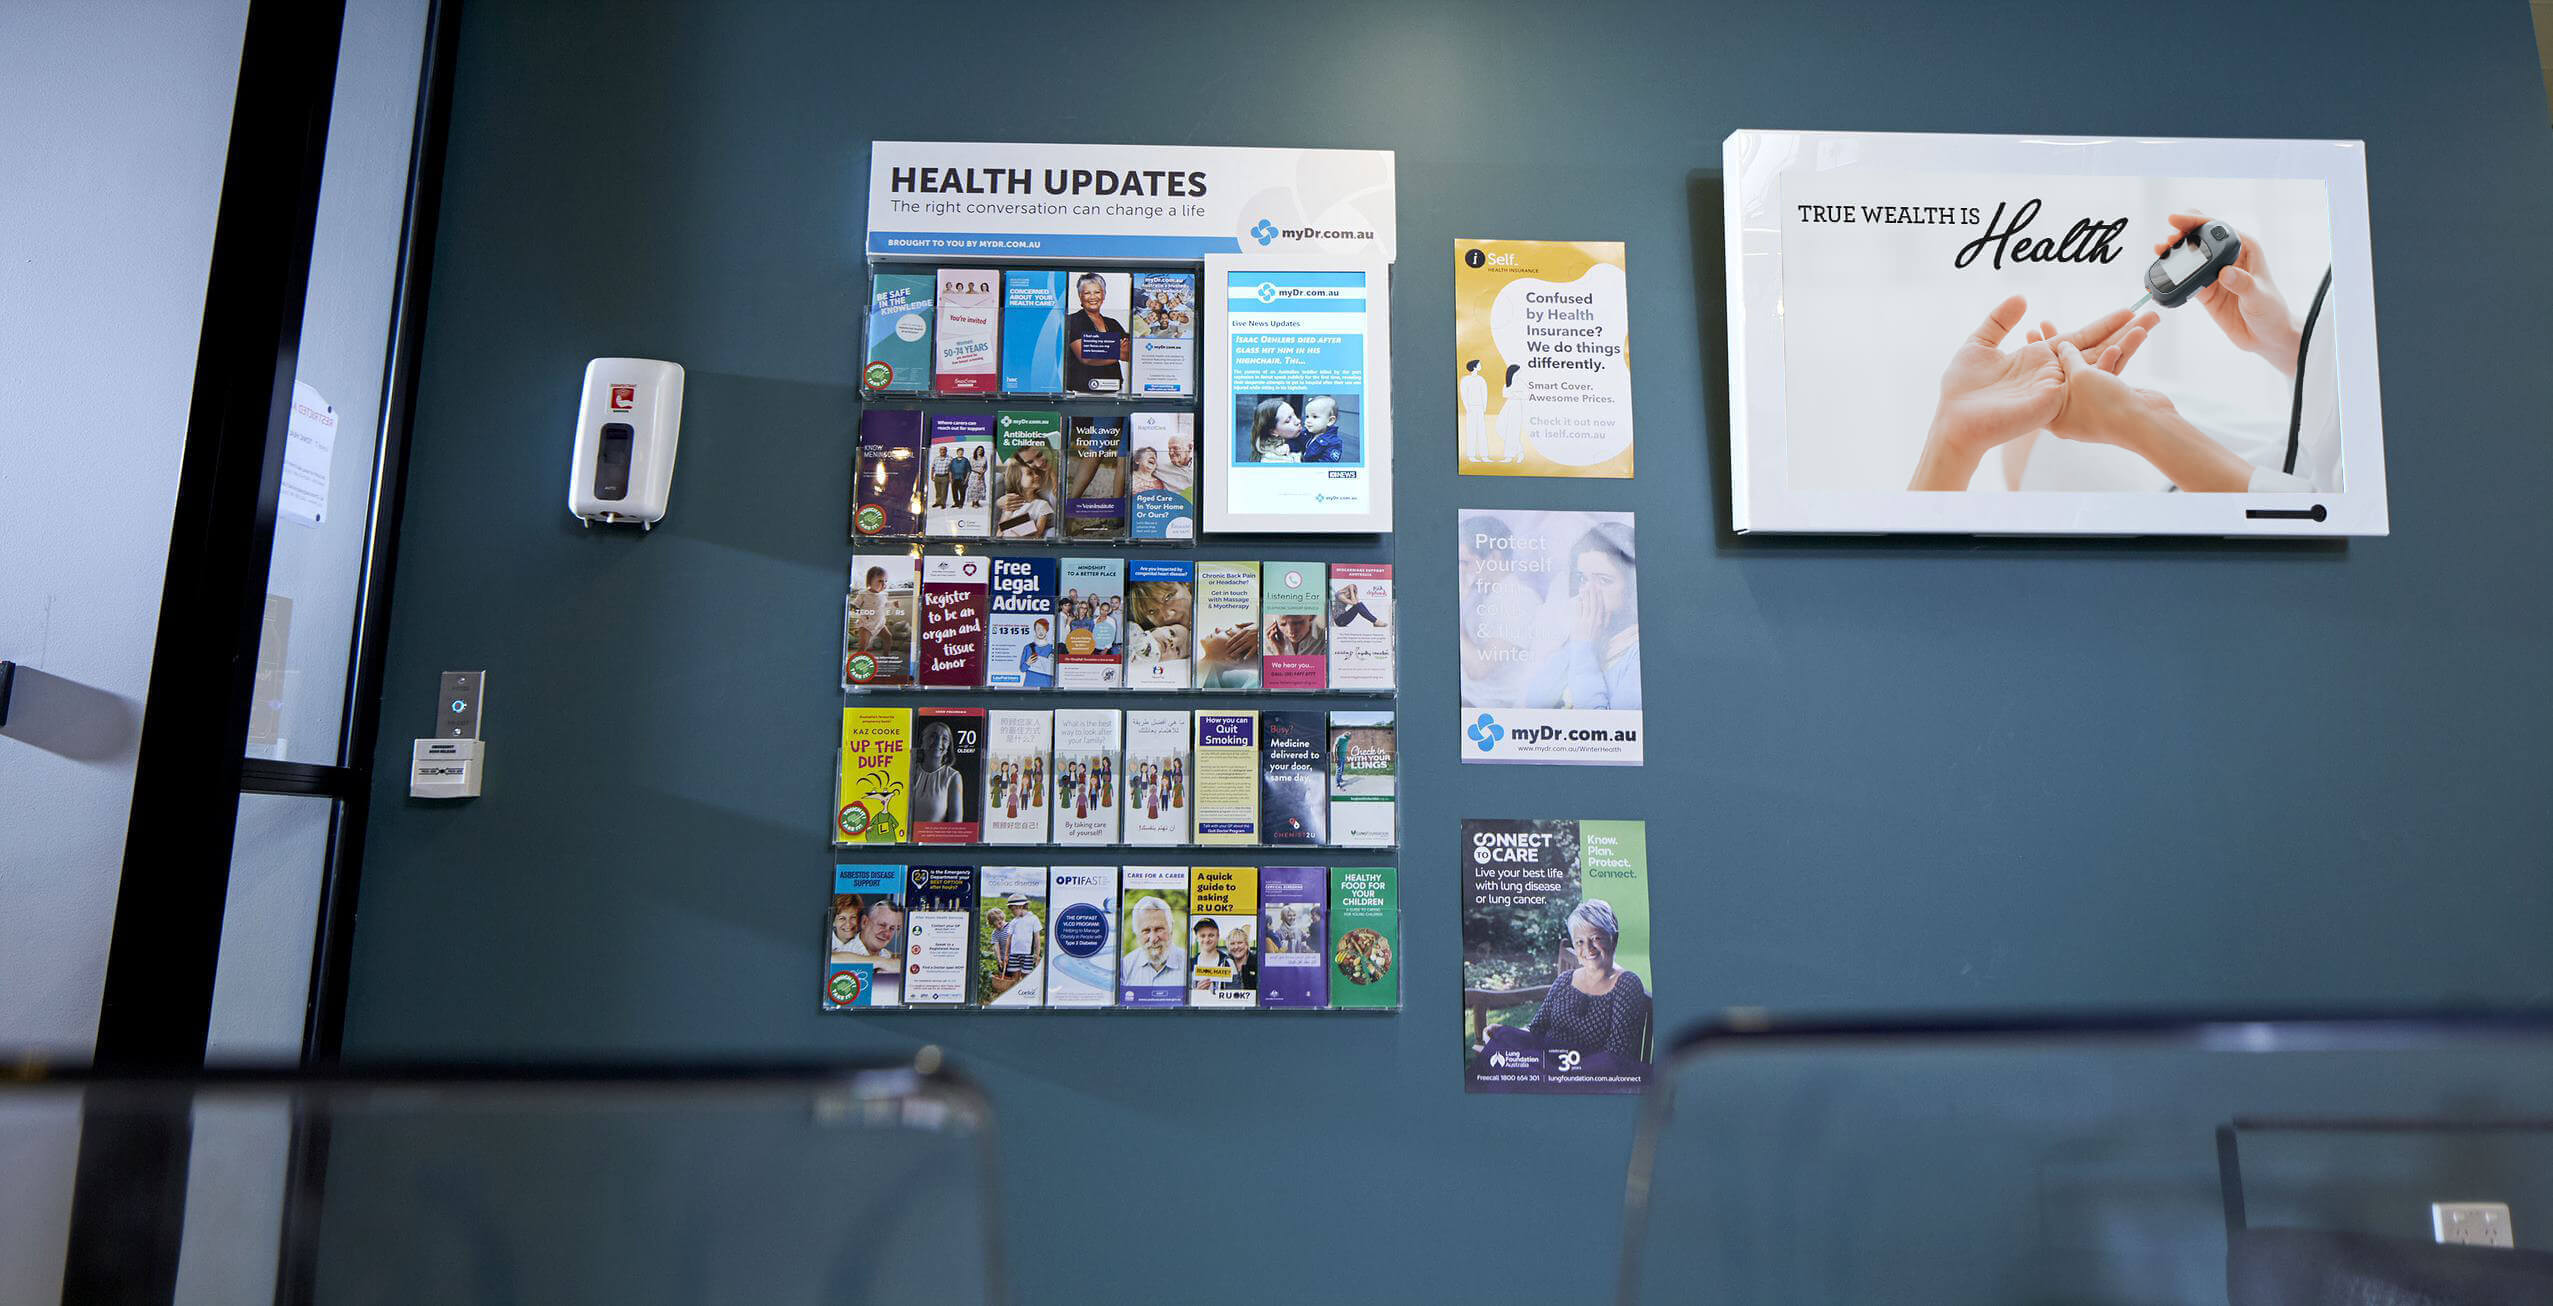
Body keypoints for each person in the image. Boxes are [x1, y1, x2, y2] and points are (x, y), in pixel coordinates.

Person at [1515, 900, 1650, 1063]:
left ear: (1613, 939)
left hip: (1590, 1081)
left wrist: (1562, 1070)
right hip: (1549, 1066)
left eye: (1596, 938)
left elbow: (1617, 1056)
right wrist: (1506, 1034)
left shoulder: (1627, 985)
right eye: (1580, 941)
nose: (1588, 948)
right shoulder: (1565, 980)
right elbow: (1536, 1029)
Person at [1523, 521, 1640, 711]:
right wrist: (1577, 642)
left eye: (1603, 580)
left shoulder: (1636, 655)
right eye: (1582, 579)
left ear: (1631, 587)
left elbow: (1606, 732)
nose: (1587, 591)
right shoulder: (1588, 634)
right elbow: (1536, 699)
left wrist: (1584, 647)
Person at [1064, 272, 1128, 393]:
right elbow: (1086, 357)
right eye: (1087, 293)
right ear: (1080, 296)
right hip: (1081, 393)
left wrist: (1098, 348)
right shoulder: (1072, 321)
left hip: (1114, 391)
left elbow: (1128, 353)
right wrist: (1117, 351)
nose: (1093, 297)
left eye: (1097, 292)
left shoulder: (1112, 323)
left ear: (1104, 295)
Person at [1120, 896, 1185, 987]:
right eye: (1146, 931)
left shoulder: (1188, 963)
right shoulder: (1126, 966)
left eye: (1159, 929)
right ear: (1137, 933)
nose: (1153, 939)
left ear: (1171, 929)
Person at [910, 720, 964, 825]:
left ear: (949, 747)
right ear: (922, 741)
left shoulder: (953, 777)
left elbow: (956, 823)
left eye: (944, 739)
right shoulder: (909, 771)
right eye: (932, 736)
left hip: (934, 839)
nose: (938, 742)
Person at [1248, 397, 1300, 463]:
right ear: (1273, 431)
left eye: (1294, 414)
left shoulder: (1290, 439)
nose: (1298, 421)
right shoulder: (1275, 459)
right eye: (1288, 420)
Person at [1460, 359, 1490, 465]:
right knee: (1471, 431)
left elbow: (1484, 394)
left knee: (1482, 431)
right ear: (1474, 367)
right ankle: (1471, 455)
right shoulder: (1465, 380)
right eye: (1479, 364)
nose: (1480, 366)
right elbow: (1464, 395)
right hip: (1471, 408)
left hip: (1480, 408)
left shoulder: (1481, 379)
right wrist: (1467, 408)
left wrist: (1484, 407)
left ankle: (1484, 455)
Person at [1298, 395, 1345, 463]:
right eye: (1307, 416)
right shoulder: (1307, 433)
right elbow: (1296, 443)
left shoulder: (1334, 443)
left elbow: (1326, 464)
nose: (1308, 420)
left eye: (1314, 416)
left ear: (1330, 421)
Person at [1019, 616, 1055, 688]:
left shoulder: (1052, 648)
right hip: (1030, 686)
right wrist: (1027, 663)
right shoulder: (1028, 647)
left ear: (1047, 630)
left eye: (1043, 628)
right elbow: (1022, 669)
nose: (1041, 631)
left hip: (1047, 687)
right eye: (1038, 629)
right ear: (1035, 630)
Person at [1190, 917, 1225, 990]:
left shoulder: (1227, 962)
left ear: (1218, 936)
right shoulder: (1189, 964)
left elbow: (1234, 991)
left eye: (1211, 935)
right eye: (1202, 936)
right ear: (1197, 938)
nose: (1206, 940)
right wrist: (1197, 992)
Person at [1158, 426, 1195, 495]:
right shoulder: (1160, 469)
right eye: (1169, 449)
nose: (1171, 453)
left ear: (1189, 448)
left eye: (1176, 448)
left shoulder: (1201, 467)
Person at [1223, 926, 1257, 992]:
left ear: (1246, 944)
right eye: (1232, 943)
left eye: (1240, 943)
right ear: (1228, 946)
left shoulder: (1257, 963)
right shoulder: (1223, 964)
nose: (1236, 947)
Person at [928, 443, 952, 508]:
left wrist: (950, 478)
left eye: (944, 449)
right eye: (941, 449)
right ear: (939, 451)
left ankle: (943, 503)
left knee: (944, 491)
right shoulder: (936, 458)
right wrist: (931, 475)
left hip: (945, 476)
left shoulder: (950, 458)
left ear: (946, 451)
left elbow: (951, 469)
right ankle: (938, 502)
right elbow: (933, 467)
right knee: (938, 491)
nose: (943, 451)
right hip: (937, 476)